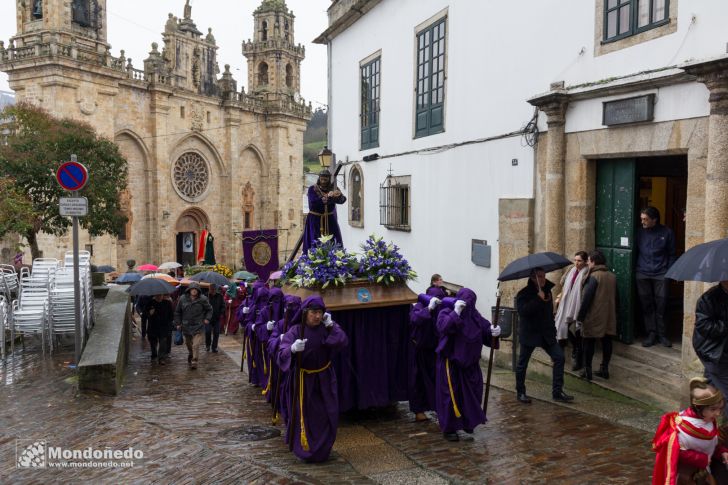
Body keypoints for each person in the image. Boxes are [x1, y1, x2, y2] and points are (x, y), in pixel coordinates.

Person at [278, 296, 348, 462]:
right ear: (305, 313)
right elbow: (281, 353)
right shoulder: (295, 331)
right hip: (303, 380)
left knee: (326, 414)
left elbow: (342, 341)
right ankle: (305, 450)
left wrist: (332, 326)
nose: (317, 316)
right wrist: (292, 349)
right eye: (313, 312)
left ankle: (323, 450)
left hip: (324, 378)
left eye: (320, 312)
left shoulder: (326, 328)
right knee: (305, 416)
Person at [435, 288, 501, 441]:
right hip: (452, 364)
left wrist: (494, 331)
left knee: (473, 394)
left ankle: (468, 422)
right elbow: (443, 327)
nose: (468, 306)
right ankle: (450, 428)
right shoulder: (446, 312)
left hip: (471, 365)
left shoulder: (475, 316)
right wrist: (455, 313)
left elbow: (486, 329)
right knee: (451, 397)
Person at [652, 377, 728, 485]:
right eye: (713, 409)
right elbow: (677, 452)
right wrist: (702, 459)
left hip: (705, 470)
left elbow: (710, 443)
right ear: (698, 408)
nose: (718, 414)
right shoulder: (681, 430)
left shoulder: (708, 420)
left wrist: (722, 452)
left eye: (719, 409)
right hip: (687, 476)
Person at [515, 268, 574, 404]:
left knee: (559, 357)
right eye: (539, 277)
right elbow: (523, 312)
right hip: (530, 333)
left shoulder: (547, 291)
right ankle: (521, 392)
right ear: (532, 278)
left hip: (546, 334)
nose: (542, 279)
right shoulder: (523, 294)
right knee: (522, 364)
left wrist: (553, 331)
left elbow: (548, 314)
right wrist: (537, 299)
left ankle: (557, 392)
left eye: (543, 276)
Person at [636, 206, 676, 347]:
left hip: (661, 273)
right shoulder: (639, 233)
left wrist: (669, 273)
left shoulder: (667, 232)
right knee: (647, 305)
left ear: (654, 220)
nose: (643, 222)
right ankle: (651, 333)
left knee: (662, 304)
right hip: (642, 273)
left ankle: (662, 334)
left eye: (645, 219)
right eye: (642, 219)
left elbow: (672, 254)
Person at [576, 250, 618, 381]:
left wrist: (580, 316)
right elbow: (617, 298)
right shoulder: (612, 276)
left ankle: (587, 370)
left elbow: (586, 298)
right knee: (607, 341)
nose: (587, 263)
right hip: (609, 315)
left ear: (593, 262)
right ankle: (604, 369)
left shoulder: (594, 277)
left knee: (588, 341)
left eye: (588, 261)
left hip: (594, 315)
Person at [409, 288, 447, 422]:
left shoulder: (442, 309)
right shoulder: (420, 306)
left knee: (439, 381)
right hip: (421, 351)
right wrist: (429, 309)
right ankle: (419, 411)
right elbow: (415, 320)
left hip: (436, 351)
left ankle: (440, 408)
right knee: (419, 381)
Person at [692, 279, 728, 416]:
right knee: (725, 393)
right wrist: (725, 325)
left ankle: (700, 418)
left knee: (709, 388)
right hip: (713, 351)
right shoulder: (708, 299)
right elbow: (703, 326)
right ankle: (724, 429)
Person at [268, 295, 302, 425]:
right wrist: (280, 339)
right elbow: (270, 344)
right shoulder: (281, 324)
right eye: (289, 306)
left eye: (295, 306)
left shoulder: (302, 325)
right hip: (284, 366)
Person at [554, 251, 589, 371]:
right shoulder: (571, 269)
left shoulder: (587, 273)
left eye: (579, 261)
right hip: (566, 303)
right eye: (575, 260)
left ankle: (578, 359)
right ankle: (561, 355)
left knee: (578, 331)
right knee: (561, 326)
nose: (576, 263)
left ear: (585, 262)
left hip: (578, 305)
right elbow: (562, 281)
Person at [302, 169, 346, 253]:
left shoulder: (333, 189)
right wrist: (328, 197)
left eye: (325, 179)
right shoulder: (312, 189)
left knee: (333, 241)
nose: (323, 180)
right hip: (315, 220)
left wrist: (338, 195)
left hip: (330, 220)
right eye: (322, 178)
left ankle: (334, 260)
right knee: (315, 241)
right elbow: (314, 203)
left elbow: (342, 200)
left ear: (329, 179)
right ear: (319, 178)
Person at [174, 282, 212, 370]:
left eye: (196, 289)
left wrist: (207, 318)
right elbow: (177, 312)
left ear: (198, 291)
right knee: (188, 344)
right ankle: (191, 354)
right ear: (189, 290)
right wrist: (178, 323)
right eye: (192, 289)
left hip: (198, 325)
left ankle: (194, 360)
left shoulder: (203, 299)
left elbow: (209, 309)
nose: (194, 291)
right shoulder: (183, 299)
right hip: (186, 326)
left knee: (196, 345)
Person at [144, 294, 174, 365]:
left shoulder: (167, 303)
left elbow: (171, 315)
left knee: (163, 342)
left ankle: (161, 358)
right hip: (152, 327)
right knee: (153, 343)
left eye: (161, 294)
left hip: (163, 327)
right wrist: (149, 313)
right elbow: (145, 314)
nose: (159, 296)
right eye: (158, 295)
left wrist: (169, 323)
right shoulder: (150, 303)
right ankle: (154, 356)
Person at [205, 283, 225, 353]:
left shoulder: (220, 296)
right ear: (209, 289)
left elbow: (223, 305)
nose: (212, 291)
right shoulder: (205, 296)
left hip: (217, 318)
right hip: (208, 318)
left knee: (216, 333)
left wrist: (221, 312)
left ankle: (214, 347)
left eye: (214, 289)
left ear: (216, 290)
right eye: (211, 289)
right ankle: (208, 344)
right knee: (207, 332)